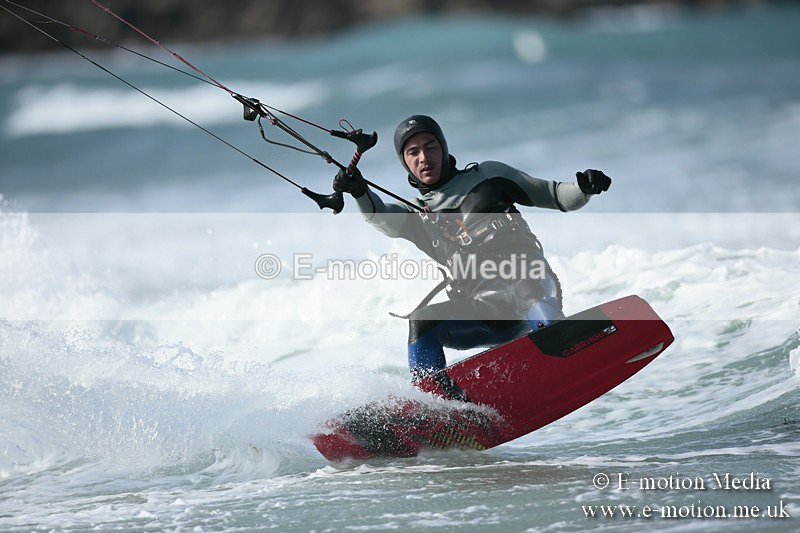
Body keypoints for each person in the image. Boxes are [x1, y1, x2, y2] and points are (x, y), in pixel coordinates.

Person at [333, 115, 611, 382]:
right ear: (405, 162)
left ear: (443, 148)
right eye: (413, 152)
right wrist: (359, 191)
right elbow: (379, 216)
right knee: (422, 321)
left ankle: (567, 348)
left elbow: (555, 195)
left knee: (523, 284)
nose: (423, 157)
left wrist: (584, 188)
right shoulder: (415, 215)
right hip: (487, 309)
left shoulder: (490, 177)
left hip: (533, 287)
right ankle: (431, 406)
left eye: (430, 147)